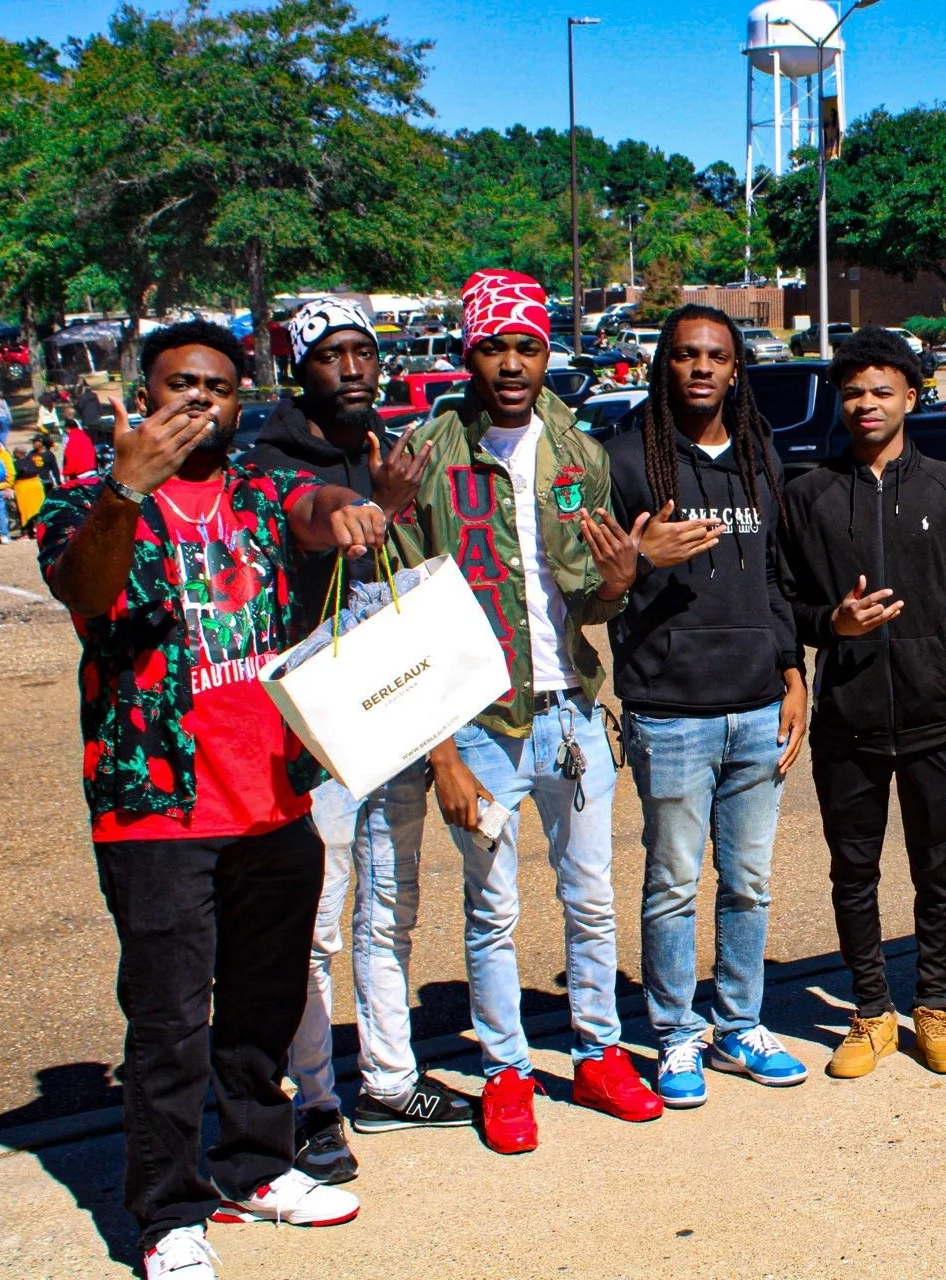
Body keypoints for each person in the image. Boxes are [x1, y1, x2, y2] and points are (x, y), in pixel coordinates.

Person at [33, 319, 387, 1279]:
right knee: (168, 1020)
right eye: (181, 384)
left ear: (242, 401)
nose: (199, 401)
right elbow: (86, 590)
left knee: (262, 1006)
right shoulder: (84, 501)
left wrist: (342, 510)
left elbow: (308, 507)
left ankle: (254, 1166)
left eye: (219, 388)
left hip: (273, 797)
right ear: (143, 395)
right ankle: (164, 1214)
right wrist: (128, 487)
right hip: (156, 811)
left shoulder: (259, 489)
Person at [396, 268, 661, 1155]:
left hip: (573, 715)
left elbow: (588, 598)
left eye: (528, 346)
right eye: (495, 346)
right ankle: (506, 1070)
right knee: (493, 906)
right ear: (470, 351)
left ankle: (597, 1052)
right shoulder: (428, 455)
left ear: (547, 351)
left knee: (590, 897)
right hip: (479, 723)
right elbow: (404, 614)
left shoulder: (580, 454)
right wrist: (441, 755)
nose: (512, 363)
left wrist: (621, 579)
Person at [241, 298, 456, 1184]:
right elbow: (306, 529)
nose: (356, 368)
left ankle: (392, 1077)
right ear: (302, 367)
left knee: (392, 902)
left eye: (366, 351)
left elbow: (389, 566)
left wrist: (392, 502)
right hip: (313, 718)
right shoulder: (269, 456)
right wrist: (357, 505)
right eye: (333, 355)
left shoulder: (385, 450)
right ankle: (314, 1103)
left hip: (388, 698)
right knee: (316, 919)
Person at [778, 327, 946, 1079]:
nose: (866, 404)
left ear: (912, 396)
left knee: (937, 870)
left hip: (938, 717)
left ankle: (934, 1004)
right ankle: (871, 1010)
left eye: (882, 390)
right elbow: (786, 604)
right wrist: (828, 626)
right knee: (854, 870)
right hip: (849, 723)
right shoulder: (806, 494)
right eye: (852, 392)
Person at [605, 303, 810, 1107]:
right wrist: (638, 561)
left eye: (715, 356)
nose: (700, 368)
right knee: (672, 883)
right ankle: (674, 1035)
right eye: (685, 355)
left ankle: (739, 1026)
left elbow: (775, 579)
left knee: (750, 882)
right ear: (666, 366)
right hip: (671, 710)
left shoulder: (762, 459)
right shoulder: (628, 461)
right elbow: (596, 590)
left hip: (758, 704)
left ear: (735, 369)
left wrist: (794, 672)